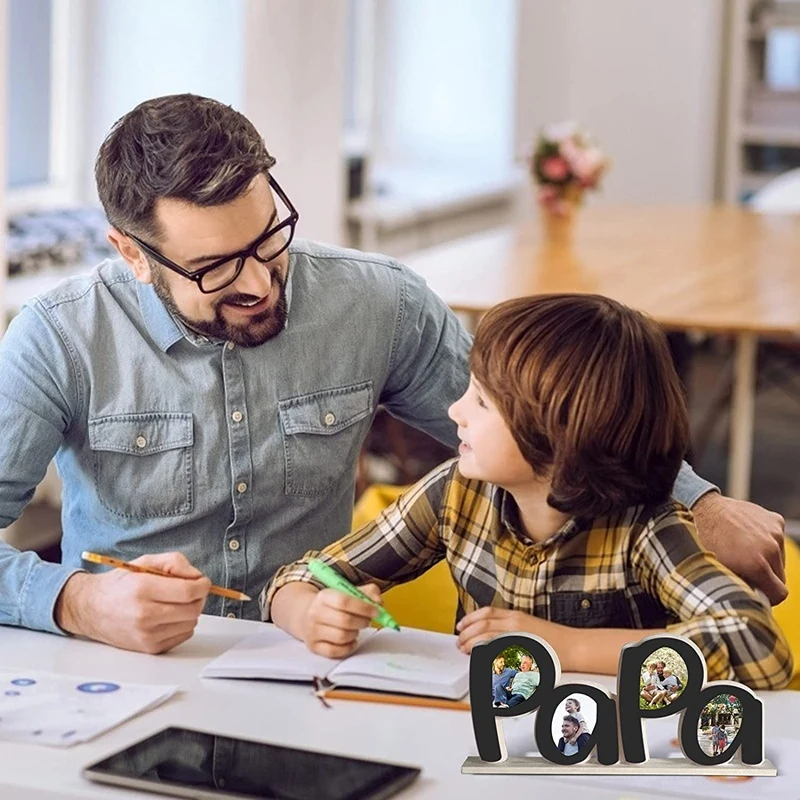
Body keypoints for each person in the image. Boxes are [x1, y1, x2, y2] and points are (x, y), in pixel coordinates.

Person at [0, 93, 786, 654]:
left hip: (303, 668)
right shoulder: (57, 339)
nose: (260, 283)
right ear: (131, 254)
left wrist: (697, 501)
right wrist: (76, 601)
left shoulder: (378, 302)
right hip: (122, 672)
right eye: (213, 268)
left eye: (268, 237)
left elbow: (534, 420)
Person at [264, 295, 794, 690]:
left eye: (483, 403)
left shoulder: (647, 528)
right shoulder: (455, 494)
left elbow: (759, 647)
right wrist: (310, 614)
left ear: (559, 440)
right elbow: (297, 577)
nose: (454, 411)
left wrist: (565, 646)